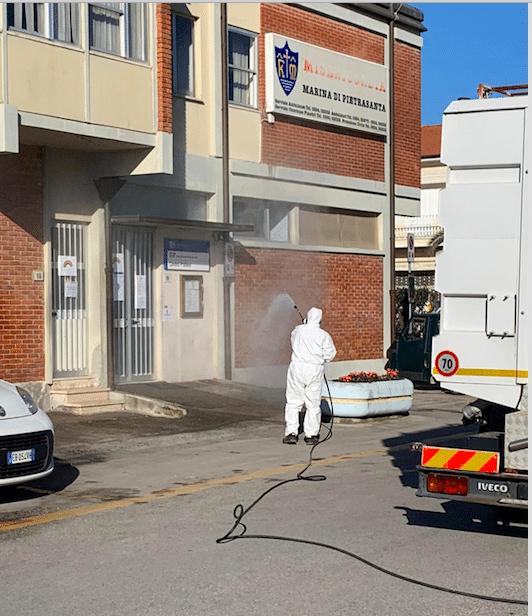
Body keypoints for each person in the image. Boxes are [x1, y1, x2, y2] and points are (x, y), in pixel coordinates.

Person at [283, 307, 336, 445]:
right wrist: (320, 358)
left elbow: (293, 342)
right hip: (314, 369)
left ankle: (291, 433)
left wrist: (304, 325)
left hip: (297, 367)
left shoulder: (298, 330)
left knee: (293, 402)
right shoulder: (323, 335)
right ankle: (311, 435)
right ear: (320, 319)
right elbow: (330, 354)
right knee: (313, 404)